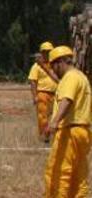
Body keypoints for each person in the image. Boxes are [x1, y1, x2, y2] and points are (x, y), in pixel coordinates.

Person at [44, 45, 91, 197]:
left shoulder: (69, 78)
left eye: (53, 66)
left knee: (59, 174)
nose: (53, 70)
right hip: (83, 131)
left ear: (60, 62)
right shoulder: (81, 77)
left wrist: (54, 122)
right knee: (78, 176)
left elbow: (67, 100)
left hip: (69, 131)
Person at [28, 42, 59, 142]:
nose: (47, 53)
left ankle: (56, 136)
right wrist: (35, 96)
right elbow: (33, 81)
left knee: (56, 116)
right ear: (41, 53)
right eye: (45, 52)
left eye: (49, 51)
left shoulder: (56, 65)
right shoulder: (36, 67)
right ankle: (45, 137)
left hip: (56, 94)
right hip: (42, 93)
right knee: (43, 117)